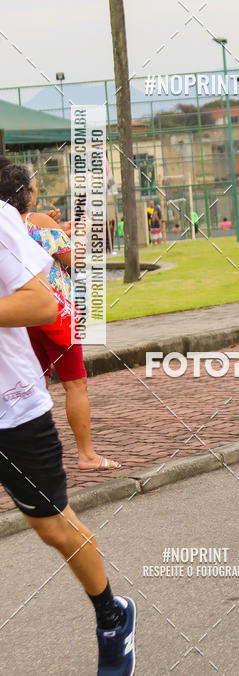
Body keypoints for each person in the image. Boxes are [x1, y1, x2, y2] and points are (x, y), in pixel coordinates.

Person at [0, 199, 136, 674]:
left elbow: (40, 300)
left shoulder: (3, 221)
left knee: (52, 526)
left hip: (12, 407)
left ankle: (112, 615)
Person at [0, 162, 120, 471]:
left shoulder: (10, 224)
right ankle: (87, 455)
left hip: (20, 317)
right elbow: (74, 258)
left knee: (32, 386)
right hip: (55, 314)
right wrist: (81, 234)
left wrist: (60, 229)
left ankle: (26, 460)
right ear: (28, 194)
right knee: (75, 384)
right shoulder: (38, 220)